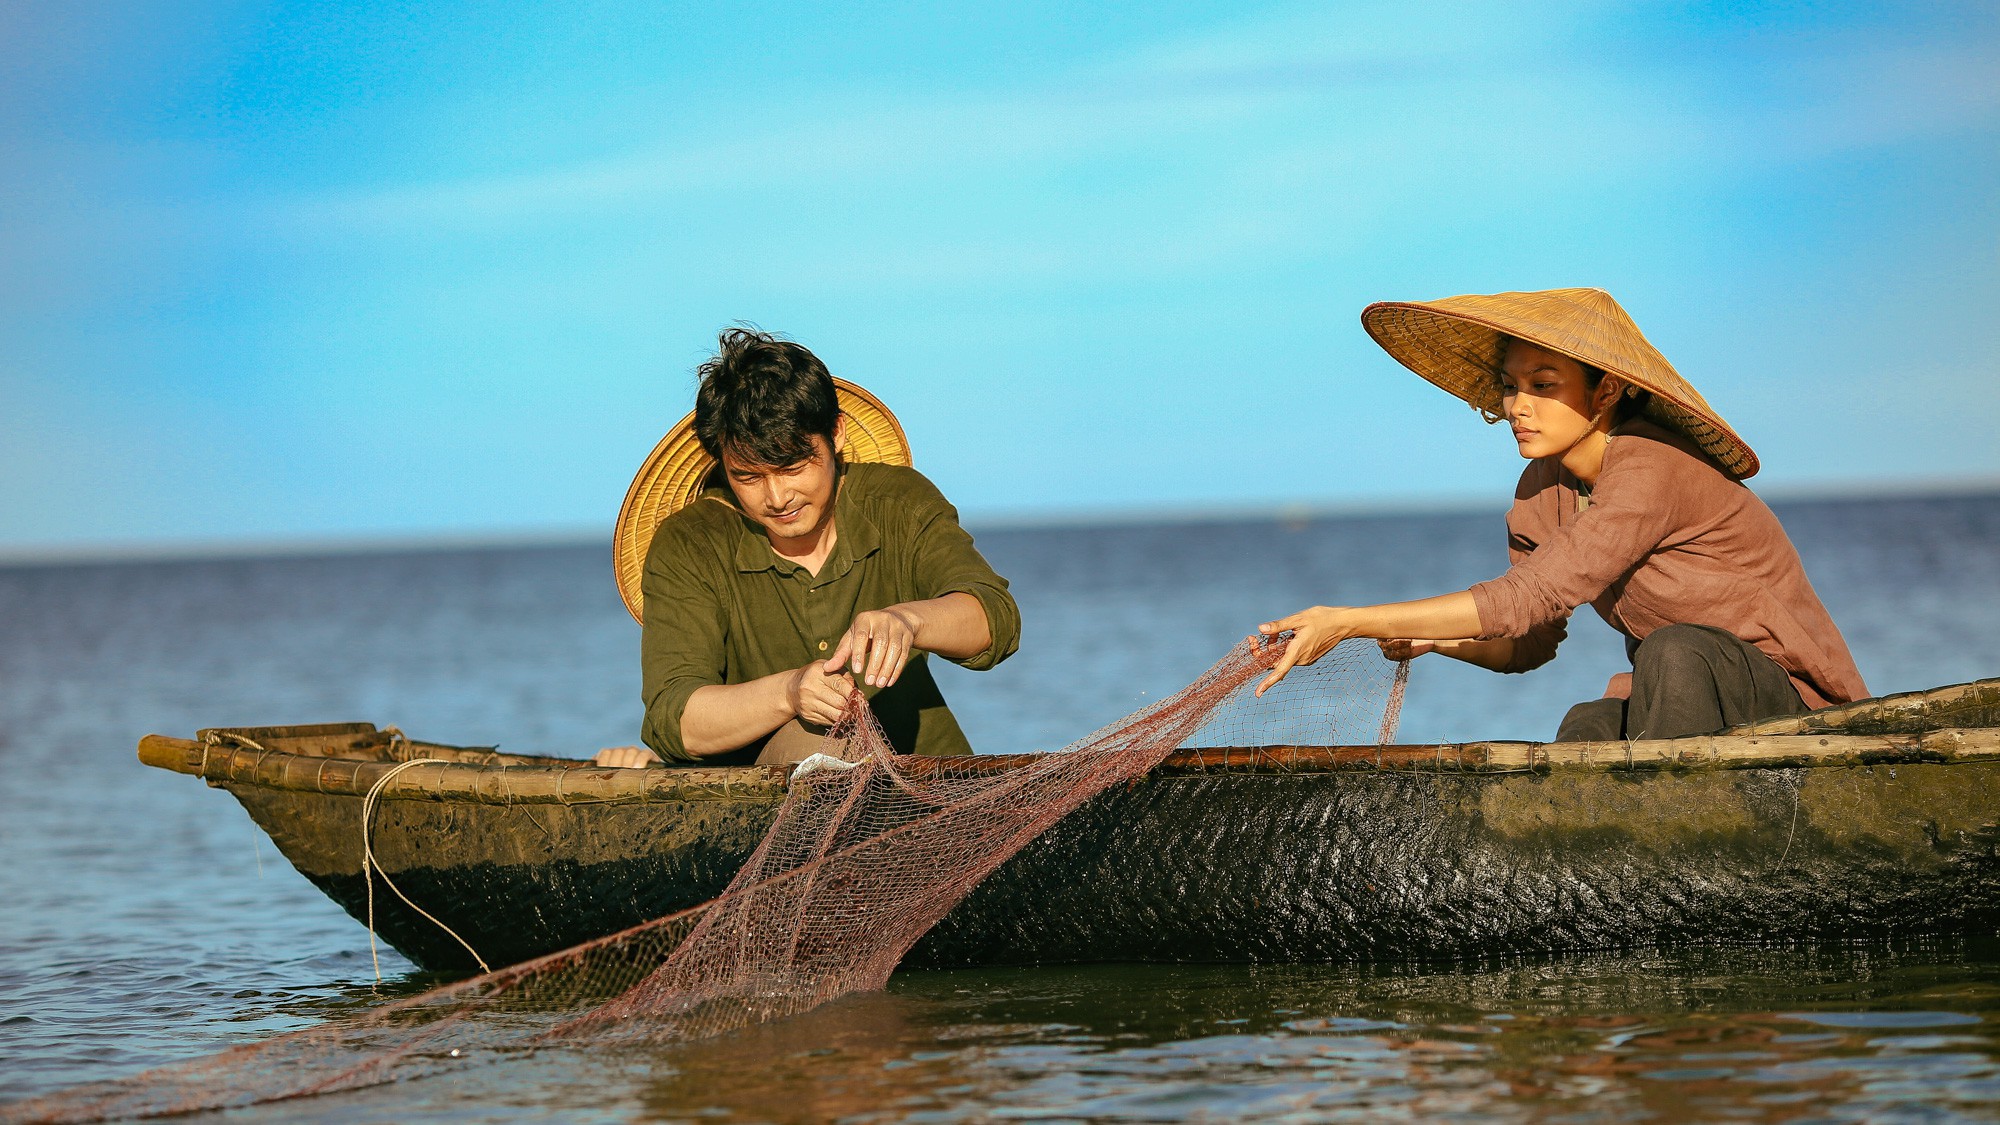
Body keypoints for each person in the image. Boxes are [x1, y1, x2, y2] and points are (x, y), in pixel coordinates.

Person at [1255, 287, 1868, 741]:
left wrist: (1346, 621)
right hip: (1677, 701)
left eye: (1543, 385)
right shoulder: (1538, 494)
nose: (1520, 406)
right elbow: (1527, 642)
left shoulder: (1652, 463)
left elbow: (1527, 595)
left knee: (1674, 652)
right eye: (1510, 385)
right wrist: (1431, 639)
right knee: (1588, 726)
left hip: (1792, 711)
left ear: (1604, 393)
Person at [595, 328, 1019, 767]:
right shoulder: (691, 543)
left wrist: (908, 620)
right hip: (765, 804)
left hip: (933, 785)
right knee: (817, 745)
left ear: (835, 435)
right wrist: (790, 692)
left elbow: (995, 620)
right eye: (750, 477)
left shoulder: (899, 503)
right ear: (721, 463)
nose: (778, 498)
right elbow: (675, 719)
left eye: (793, 467)